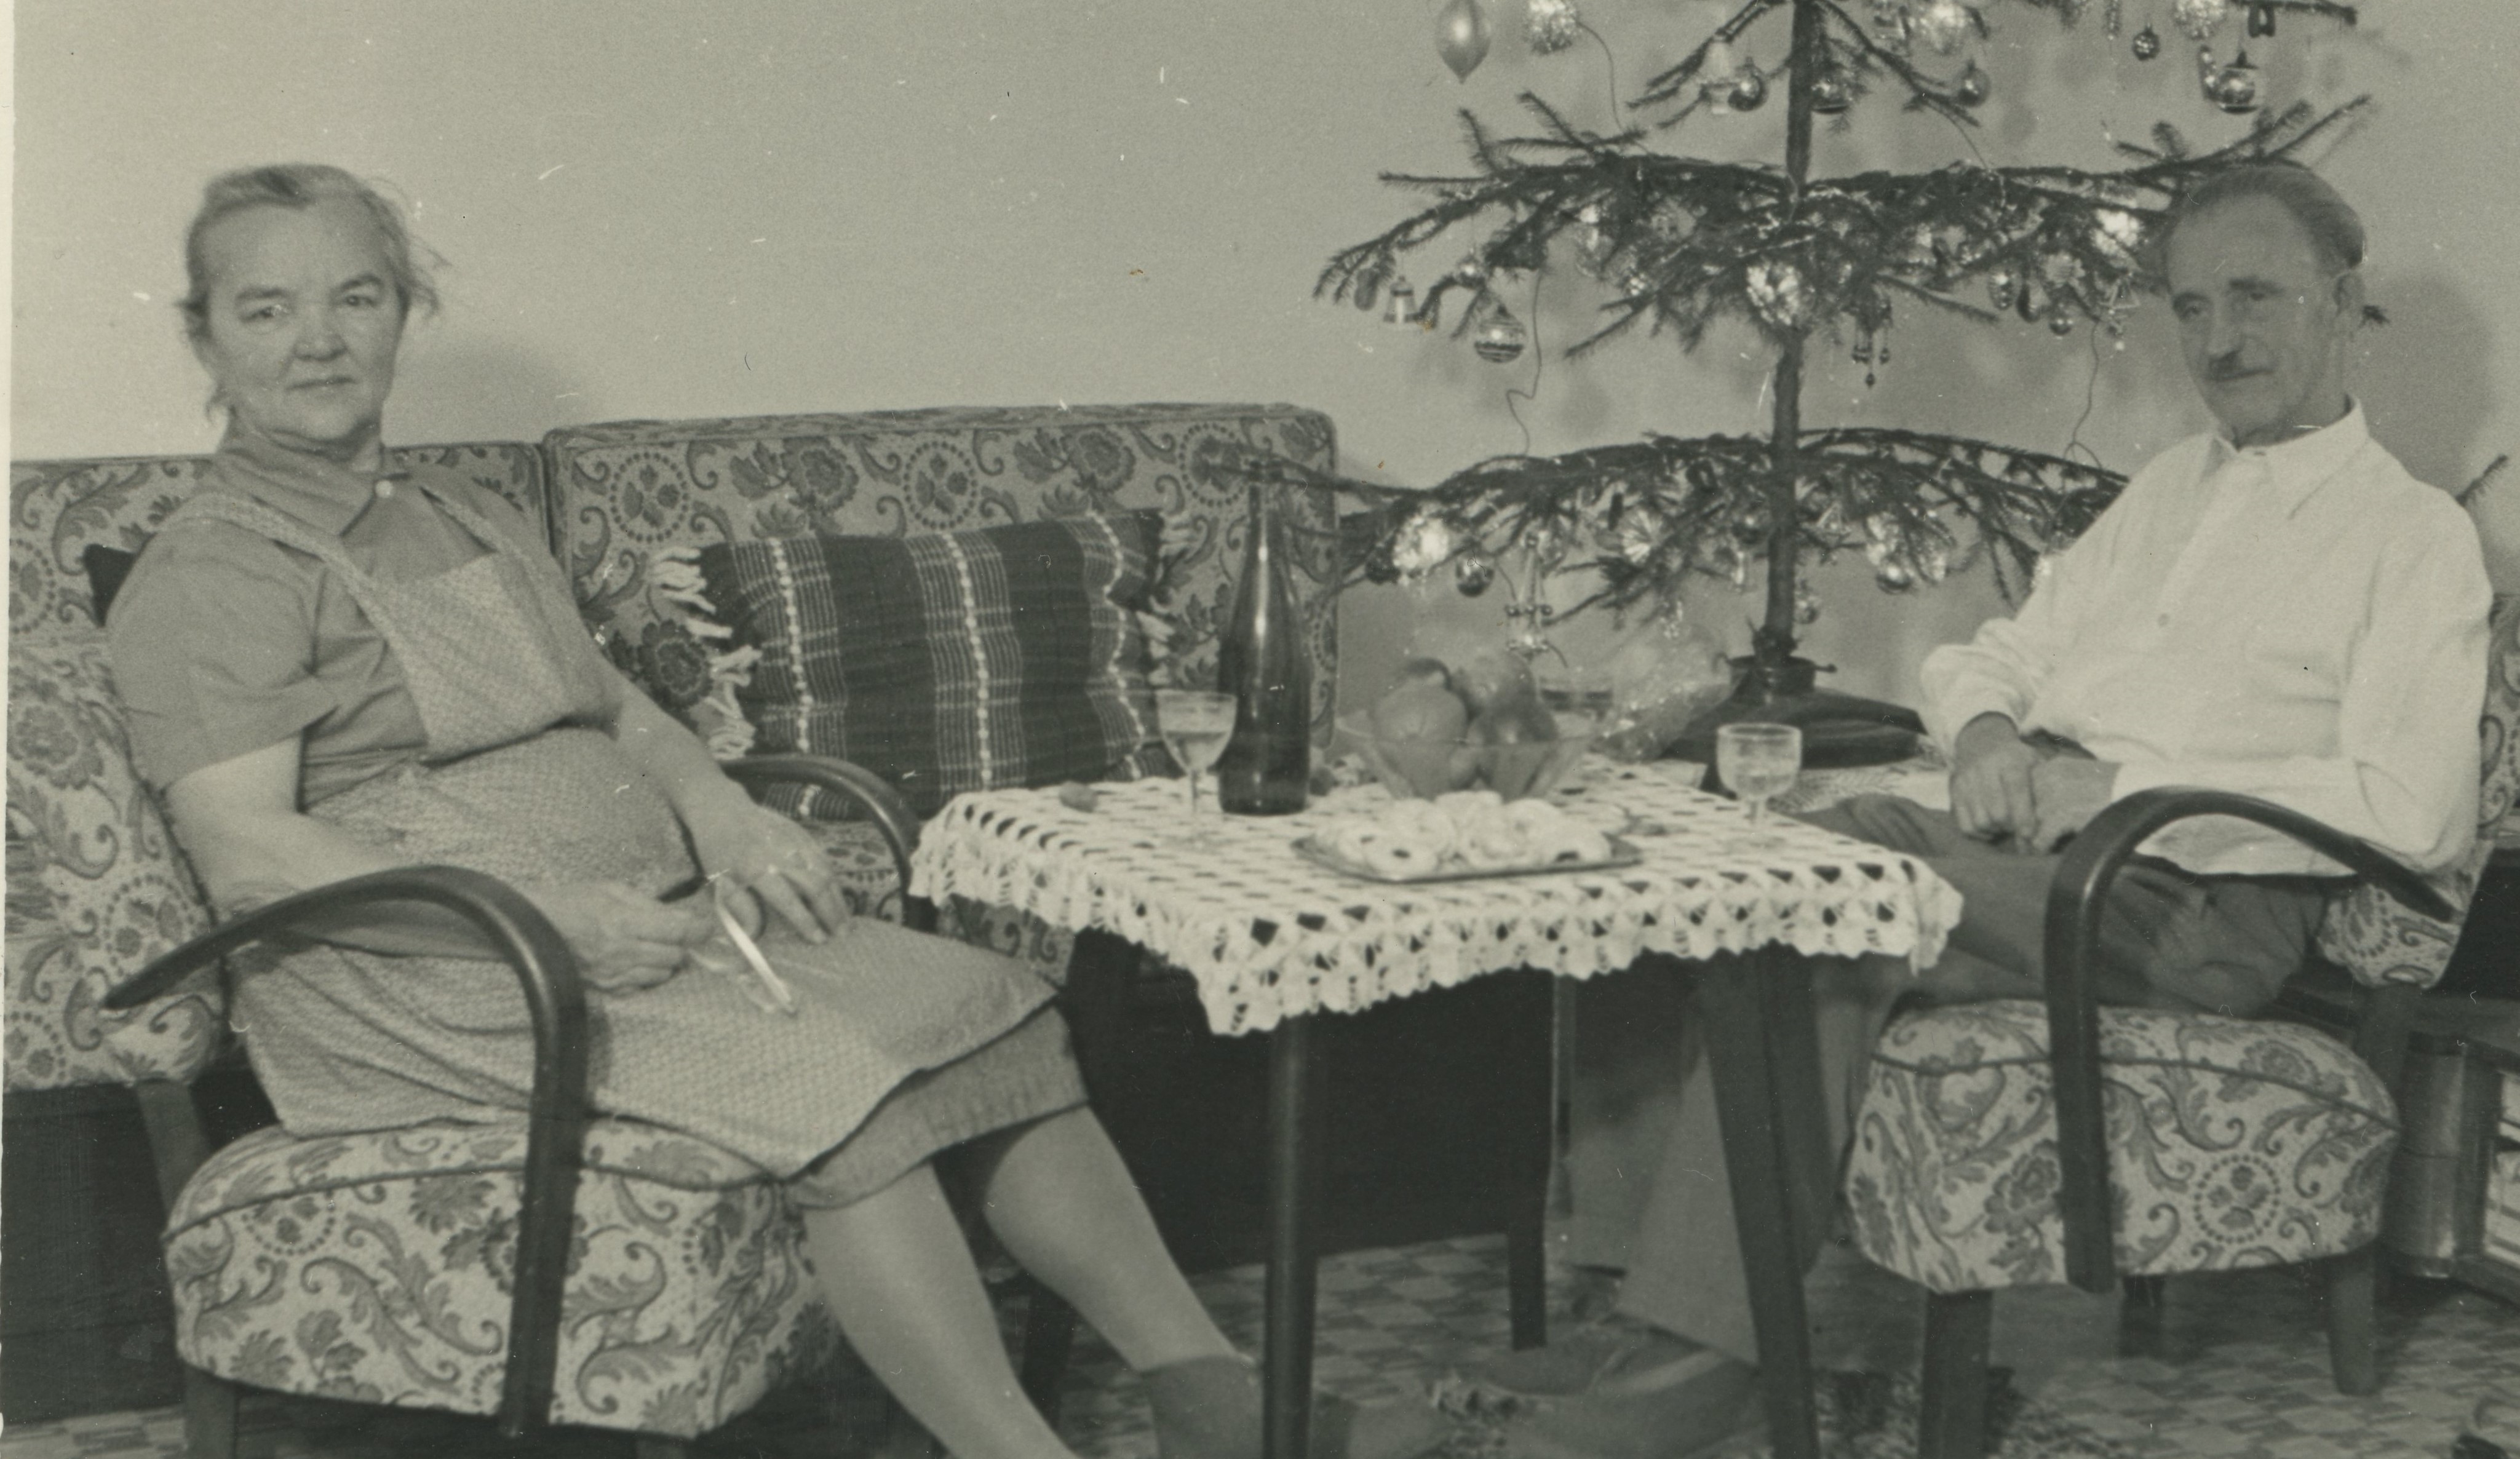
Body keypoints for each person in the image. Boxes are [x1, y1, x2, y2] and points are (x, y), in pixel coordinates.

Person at [106, 163, 1446, 1459]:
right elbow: (248, 852)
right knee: (834, 1081)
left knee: (989, 1007)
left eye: (355, 297)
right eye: (266, 309)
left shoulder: (459, 508)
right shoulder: (217, 571)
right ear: (205, 338)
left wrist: (723, 816)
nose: (319, 341)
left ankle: (1213, 1401)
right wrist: (555, 922)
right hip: (440, 976)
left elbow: (619, 710)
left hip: (635, 926)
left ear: (405, 312)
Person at [1475, 162, 2494, 1458]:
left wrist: (2117, 790)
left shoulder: (2410, 537)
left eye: (2254, 296)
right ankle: (1646, 1329)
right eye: (2190, 307)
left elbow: (2412, 813)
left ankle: (1672, 1394)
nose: (2219, 339)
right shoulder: (2172, 490)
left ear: (2342, 305)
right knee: (1704, 880)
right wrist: (1995, 735)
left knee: (1824, 895)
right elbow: (1994, 656)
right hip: (2043, 861)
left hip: (2188, 906)